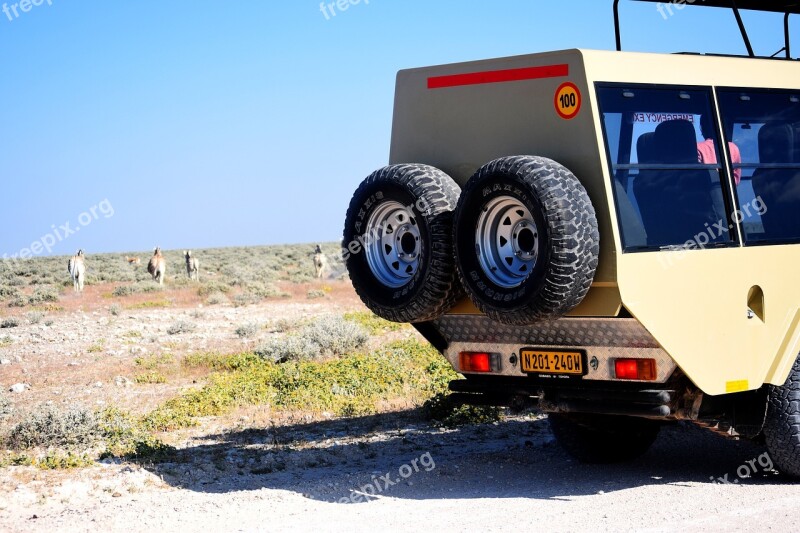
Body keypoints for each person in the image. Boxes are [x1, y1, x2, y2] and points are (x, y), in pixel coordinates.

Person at [698, 115, 742, 185]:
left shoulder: (697, 147)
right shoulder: (734, 148)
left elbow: (699, 178)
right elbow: (736, 178)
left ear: (702, 128)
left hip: (707, 193)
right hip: (729, 193)